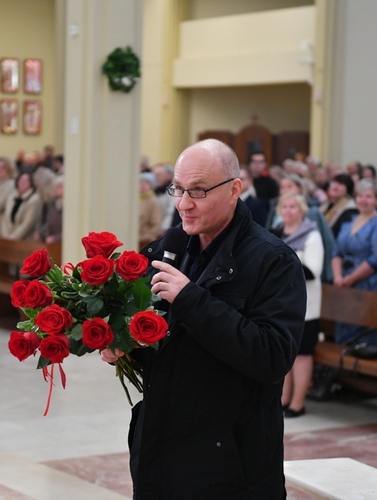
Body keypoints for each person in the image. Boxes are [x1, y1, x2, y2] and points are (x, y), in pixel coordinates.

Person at [103, 139, 305, 498]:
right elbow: (169, 346)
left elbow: (272, 357)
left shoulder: (274, 260)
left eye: (197, 191)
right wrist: (125, 344)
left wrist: (191, 299)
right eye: (178, 189)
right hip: (161, 457)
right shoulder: (172, 247)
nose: (183, 204)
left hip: (229, 468)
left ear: (234, 190)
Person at [271, 193, 323, 418]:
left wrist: (286, 259)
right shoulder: (277, 231)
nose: (289, 210)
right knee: (287, 351)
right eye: (285, 206)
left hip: (307, 306)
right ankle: (284, 398)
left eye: (293, 207)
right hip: (281, 303)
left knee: (302, 354)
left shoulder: (311, 235)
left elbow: (313, 271)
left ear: (302, 210)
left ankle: (298, 402)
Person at [331, 179, 377, 347]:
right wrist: (338, 276)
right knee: (346, 335)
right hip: (345, 282)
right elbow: (337, 252)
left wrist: (351, 278)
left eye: (369, 196)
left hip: (372, 282)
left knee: (366, 338)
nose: (364, 200)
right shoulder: (349, 220)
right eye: (360, 196)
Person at [2, 172, 41, 241]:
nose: (22, 182)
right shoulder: (11, 196)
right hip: (8, 238)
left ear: (31, 183)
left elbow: (27, 224)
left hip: (24, 240)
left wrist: (12, 238)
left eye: (26, 181)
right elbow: (5, 218)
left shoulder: (35, 199)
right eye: (20, 180)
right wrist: (5, 235)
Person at [320, 173, 358, 238]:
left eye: (341, 184)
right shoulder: (327, 204)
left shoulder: (350, 209)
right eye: (334, 182)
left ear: (347, 190)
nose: (336, 185)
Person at [139, 172, 163, 246]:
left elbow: (156, 223)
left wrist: (148, 238)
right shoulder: (136, 199)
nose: (143, 185)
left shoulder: (154, 201)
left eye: (146, 182)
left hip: (144, 241)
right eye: (141, 182)